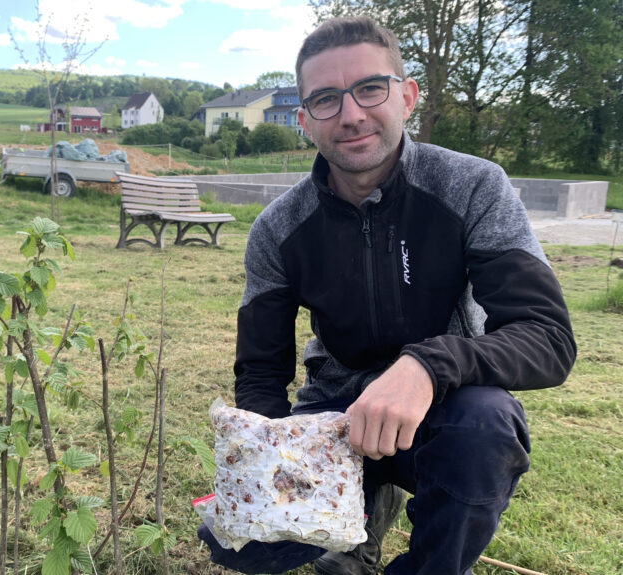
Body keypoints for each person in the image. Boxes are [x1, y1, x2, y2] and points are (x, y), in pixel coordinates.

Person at [198, 16, 576, 575]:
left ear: (407, 95)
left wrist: (426, 364)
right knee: (243, 544)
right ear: (304, 120)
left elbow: (547, 337)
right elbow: (260, 372)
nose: (351, 115)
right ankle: (359, 513)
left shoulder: (472, 186)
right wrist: (268, 463)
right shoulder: (279, 228)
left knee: (485, 428)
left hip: (445, 410)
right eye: (326, 99)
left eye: (370, 88)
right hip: (335, 415)